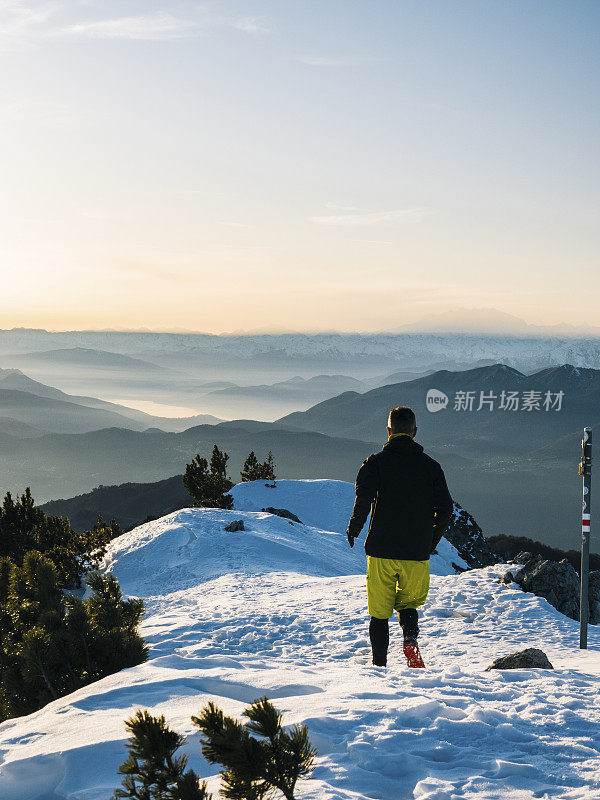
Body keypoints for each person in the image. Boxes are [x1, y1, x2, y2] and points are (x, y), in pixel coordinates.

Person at [346, 405, 453, 668]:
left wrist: (354, 528)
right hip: (416, 552)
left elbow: (363, 499)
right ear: (414, 432)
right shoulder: (431, 467)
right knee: (408, 604)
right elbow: (447, 509)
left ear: (389, 431)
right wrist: (431, 540)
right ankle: (410, 638)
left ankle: (379, 666)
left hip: (381, 550)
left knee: (379, 613)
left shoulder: (376, 463)